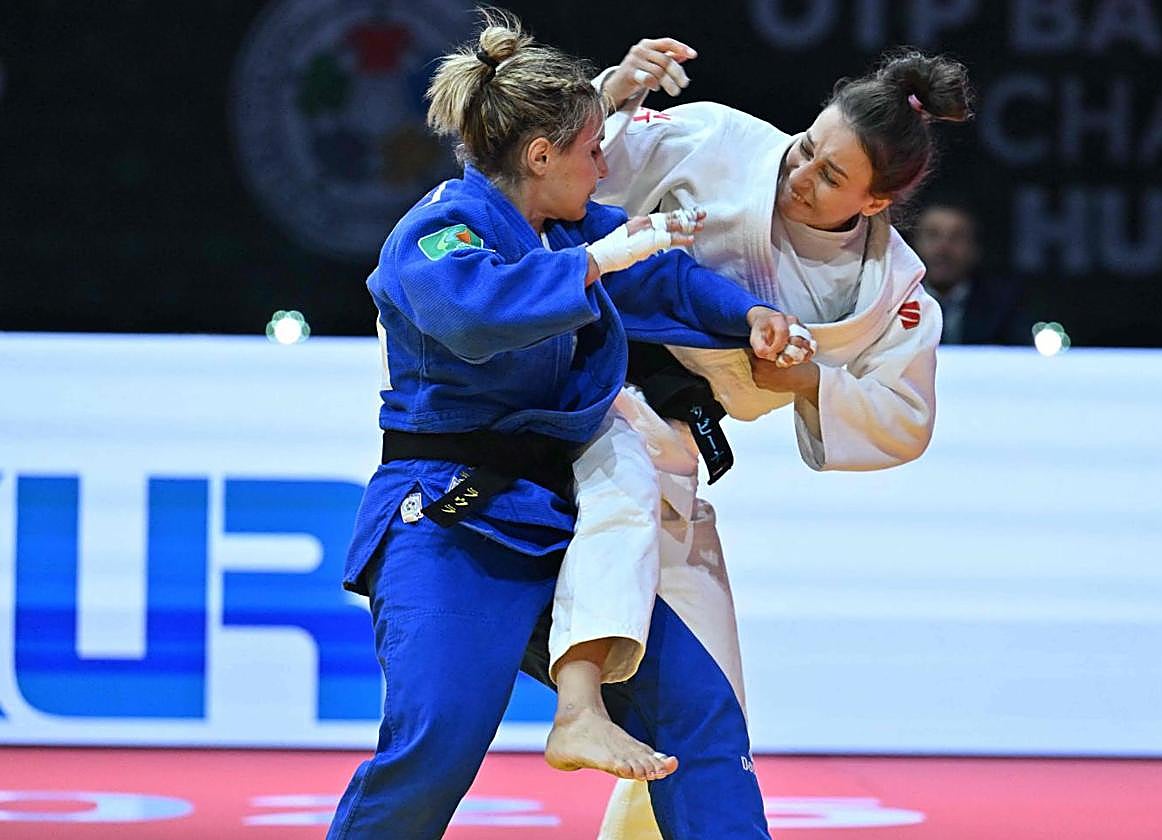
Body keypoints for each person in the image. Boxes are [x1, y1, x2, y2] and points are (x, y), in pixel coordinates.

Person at [326, 14, 802, 839]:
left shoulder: (572, 228)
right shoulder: (438, 234)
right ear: (540, 157)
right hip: (451, 520)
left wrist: (752, 315)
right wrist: (597, 264)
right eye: (591, 149)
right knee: (435, 747)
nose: (606, 164)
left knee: (700, 720)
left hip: (561, 522)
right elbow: (477, 316)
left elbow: (669, 281)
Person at [559, 38, 974, 839]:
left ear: (876, 203)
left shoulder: (891, 292)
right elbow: (556, 168)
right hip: (584, 374)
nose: (800, 174)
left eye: (829, 178)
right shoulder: (713, 137)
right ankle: (576, 706)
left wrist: (814, 382)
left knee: (709, 709)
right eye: (808, 147)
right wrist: (608, 94)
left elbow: (906, 420)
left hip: (682, 442)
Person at [910, 199, 1029, 345]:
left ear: (975, 249)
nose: (942, 249)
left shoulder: (1004, 306)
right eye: (932, 235)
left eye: (957, 238)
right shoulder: (894, 301)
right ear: (913, 245)